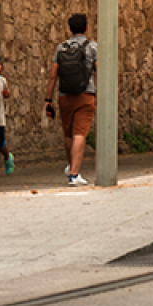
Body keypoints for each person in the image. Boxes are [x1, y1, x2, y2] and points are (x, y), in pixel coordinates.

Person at [45, 13, 97, 186]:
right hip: (86, 94)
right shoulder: (92, 47)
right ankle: (74, 174)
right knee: (79, 134)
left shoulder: (61, 48)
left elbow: (53, 76)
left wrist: (48, 99)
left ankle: (71, 167)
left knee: (68, 134)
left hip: (64, 95)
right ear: (87, 28)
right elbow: (100, 71)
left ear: (69, 29)